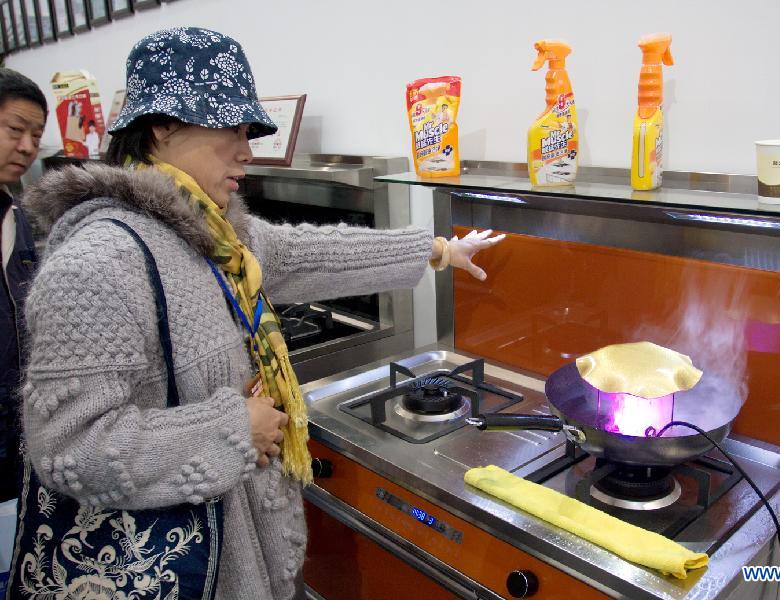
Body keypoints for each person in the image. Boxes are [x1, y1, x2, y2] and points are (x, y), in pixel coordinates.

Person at [8, 27, 501, 599]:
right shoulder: (97, 265)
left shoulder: (217, 236)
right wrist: (232, 429)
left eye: (249, 131)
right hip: (176, 575)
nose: (247, 150)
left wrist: (437, 250)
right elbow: (69, 448)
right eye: (229, 130)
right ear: (162, 126)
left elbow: (305, 252)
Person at [0, 68, 46, 506]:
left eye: (36, 134)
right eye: (15, 129)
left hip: (12, 430)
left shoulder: (18, 217)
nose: (28, 147)